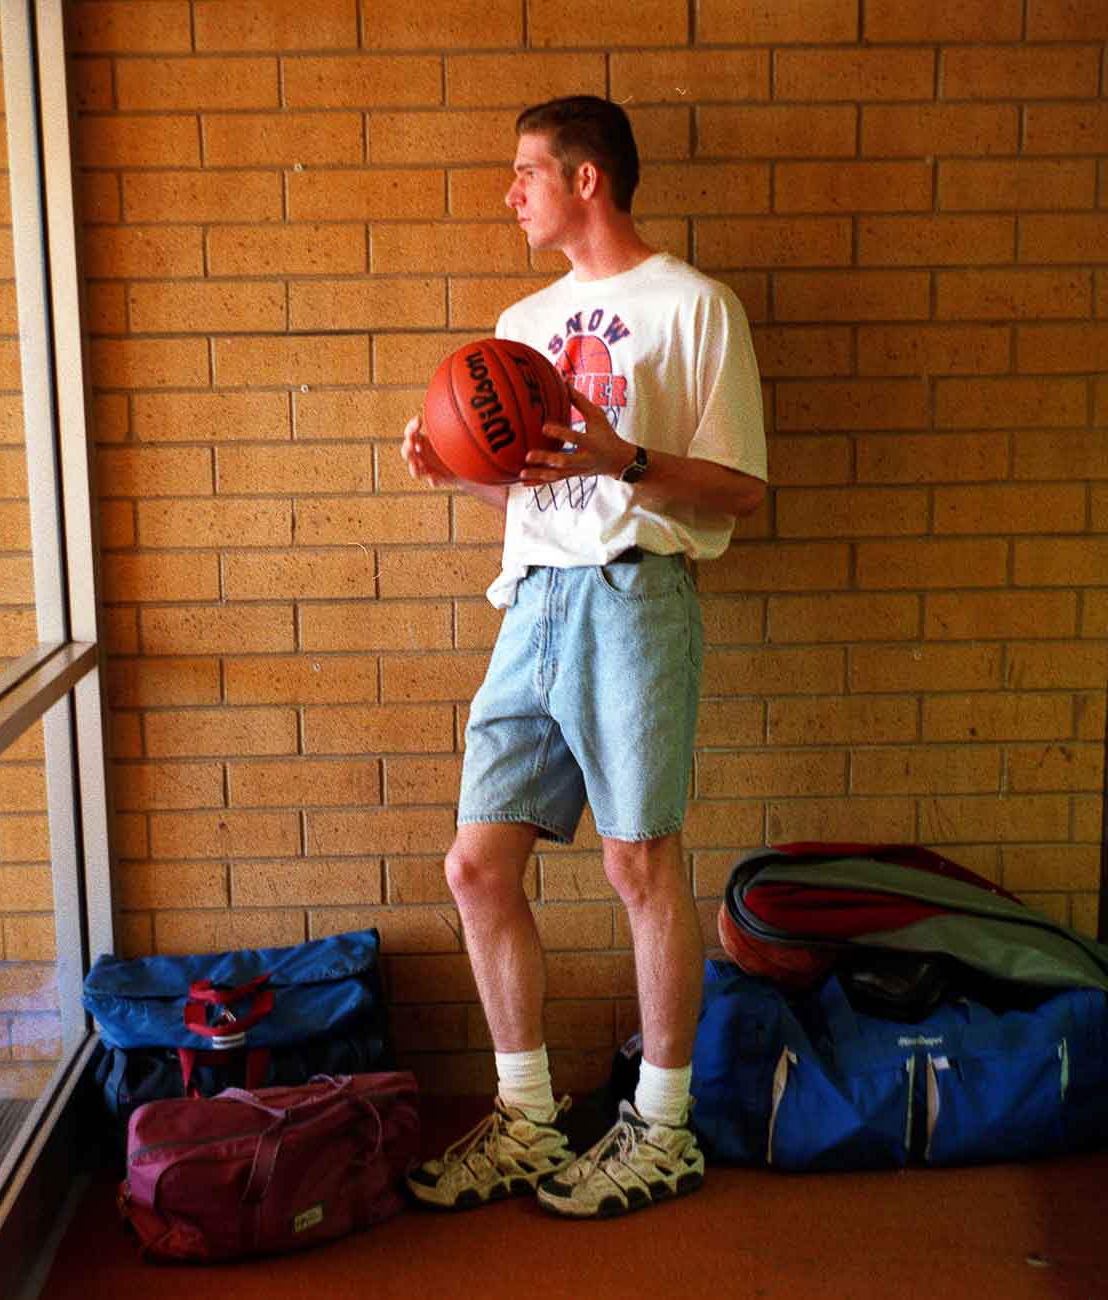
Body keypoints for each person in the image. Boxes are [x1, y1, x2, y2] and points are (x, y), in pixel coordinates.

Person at [396, 95, 768, 1219]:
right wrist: (449, 471)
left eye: (524, 173)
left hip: (634, 596)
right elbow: (523, 484)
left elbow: (743, 489)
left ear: (587, 179)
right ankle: (527, 1116)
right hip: (532, 604)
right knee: (475, 865)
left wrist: (628, 456)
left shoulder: (694, 306)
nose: (510, 193)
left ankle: (661, 1128)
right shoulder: (522, 317)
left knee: (637, 866)